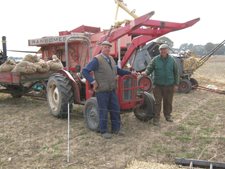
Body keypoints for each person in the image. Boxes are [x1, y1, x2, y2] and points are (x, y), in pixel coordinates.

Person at [82, 41, 132, 139]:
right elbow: (85, 71)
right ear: (102, 48)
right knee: (103, 111)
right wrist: (92, 82)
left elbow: (118, 71)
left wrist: (130, 73)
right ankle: (103, 131)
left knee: (115, 109)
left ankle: (116, 129)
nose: (107, 49)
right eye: (105, 47)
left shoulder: (112, 59)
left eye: (109, 47)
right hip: (102, 91)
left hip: (112, 90)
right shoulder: (97, 60)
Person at [141, 44, 179, 126]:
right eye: (161, 49)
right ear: (159, 51)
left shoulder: (172, 60)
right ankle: (156, 119)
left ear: (167, 50)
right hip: (157, 85)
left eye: (164, 49)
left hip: (169, 85)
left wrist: (176, 84)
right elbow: (149, 68)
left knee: (168, 102)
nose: (163, 51)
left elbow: (176, 72)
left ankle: (168, 116)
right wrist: (146, 72)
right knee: (157, 102)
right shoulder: (155, 59)